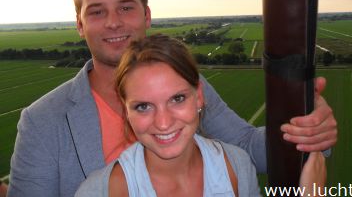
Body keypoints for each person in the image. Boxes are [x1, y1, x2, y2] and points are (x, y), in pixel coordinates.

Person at [7, 0, 336, 197]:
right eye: (96, 11)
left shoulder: (189, 86)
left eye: (126, 7)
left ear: (147, 15)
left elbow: (248, 147)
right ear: (79, 25)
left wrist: (306, 128)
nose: (113, 23)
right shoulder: (42, 121)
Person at [75, 34, 325, 197]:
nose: (163, 123)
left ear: (200, 96)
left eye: (177, 98)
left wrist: (310, 131)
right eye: (143, 106)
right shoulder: (99, 191)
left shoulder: (236, 166)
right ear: (125, 110)